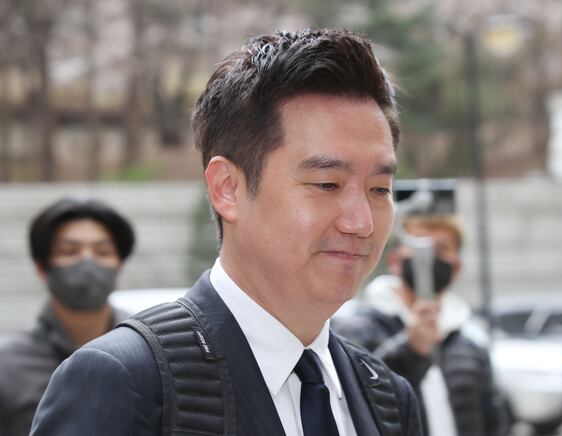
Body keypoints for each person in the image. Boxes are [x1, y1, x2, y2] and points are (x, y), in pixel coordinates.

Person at [30, 28, 423, 436]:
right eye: (327, 184)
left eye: (380, 189)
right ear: (227, 189)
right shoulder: (129, 380)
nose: (361, 222)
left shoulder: (387, 397)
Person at [334, 215, 509, 436]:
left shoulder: (470, 342)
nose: (428, 256)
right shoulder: (357, 330)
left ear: (456, 268)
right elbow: (353, 400)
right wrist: (410, 351)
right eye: (419, 246)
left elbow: (495, 421)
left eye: (441, 248)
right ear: (395, 261)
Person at [0, 197, 135, 436]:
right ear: (41, 267)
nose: (87, 262)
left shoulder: (147, 351)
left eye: (103, 251)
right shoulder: (7, 365)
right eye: (69, 251)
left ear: (120, 266)